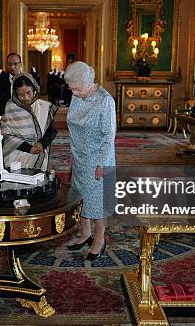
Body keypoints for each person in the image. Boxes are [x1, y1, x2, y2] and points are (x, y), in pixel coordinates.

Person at [64, 61, 116, 261]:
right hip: (79, 156)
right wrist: (73, 153)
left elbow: (108, 135)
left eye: (76, 89)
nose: (74, 93)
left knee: (97, 201)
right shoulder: (78, 94)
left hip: (97, 158)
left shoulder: (105, 101)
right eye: (71, 89)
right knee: (79, 195)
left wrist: (102, 164)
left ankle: (100, 240)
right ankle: (85, 234)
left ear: (88, 83)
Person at [1, 73, 57, 171]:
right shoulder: (10, 108)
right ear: (15, 94)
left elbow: (52, 130)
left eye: (28, 93)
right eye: (21, 95)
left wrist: (42, 143)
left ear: (34, 90)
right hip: (16, 155)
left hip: (38, 151)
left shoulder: (43, 107)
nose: (26, 98)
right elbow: (7, 136)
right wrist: (29, 149)